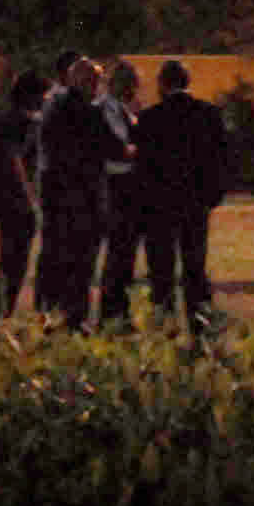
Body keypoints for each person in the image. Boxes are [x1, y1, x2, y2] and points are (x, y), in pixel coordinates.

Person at [132, 59, 229, 333]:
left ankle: (165, 328)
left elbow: (142, 167)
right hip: (195, 203)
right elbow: (222, 160)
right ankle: (200, 325)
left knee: (161, 271)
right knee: (195, 267)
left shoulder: (150, 118)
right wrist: (213, 196)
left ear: (162, 84)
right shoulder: (209, 114)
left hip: (160, 206)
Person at [35, 56, 127, 328]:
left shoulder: (53, 108)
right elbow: (113, 148)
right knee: (82, 265)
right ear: (87, 81)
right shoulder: (90, 112)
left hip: (57, 199)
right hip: (85, 199)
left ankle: (50, 316)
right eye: (96, 80)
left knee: (57, 261)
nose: (98, 86)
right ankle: (76, 320)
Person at [0, 68, 48, 336]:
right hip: (18, 202)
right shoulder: (19, 122)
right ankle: (1, 320)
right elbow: (15, 160)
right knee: (14, 263)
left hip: (9, 200)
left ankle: (0, 318)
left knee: (11, 263)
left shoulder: (9, 119)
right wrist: (30, 198)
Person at [94, 59, 145, 326]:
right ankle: (110, 312)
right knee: (117, 252)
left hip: (126, 185)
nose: (135, 89)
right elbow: (116, 148)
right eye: (131, 83)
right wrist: (136, 150)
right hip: (114, 185)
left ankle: (118, 311)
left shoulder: (123, 110)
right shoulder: (104, 110)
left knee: (125, 253)